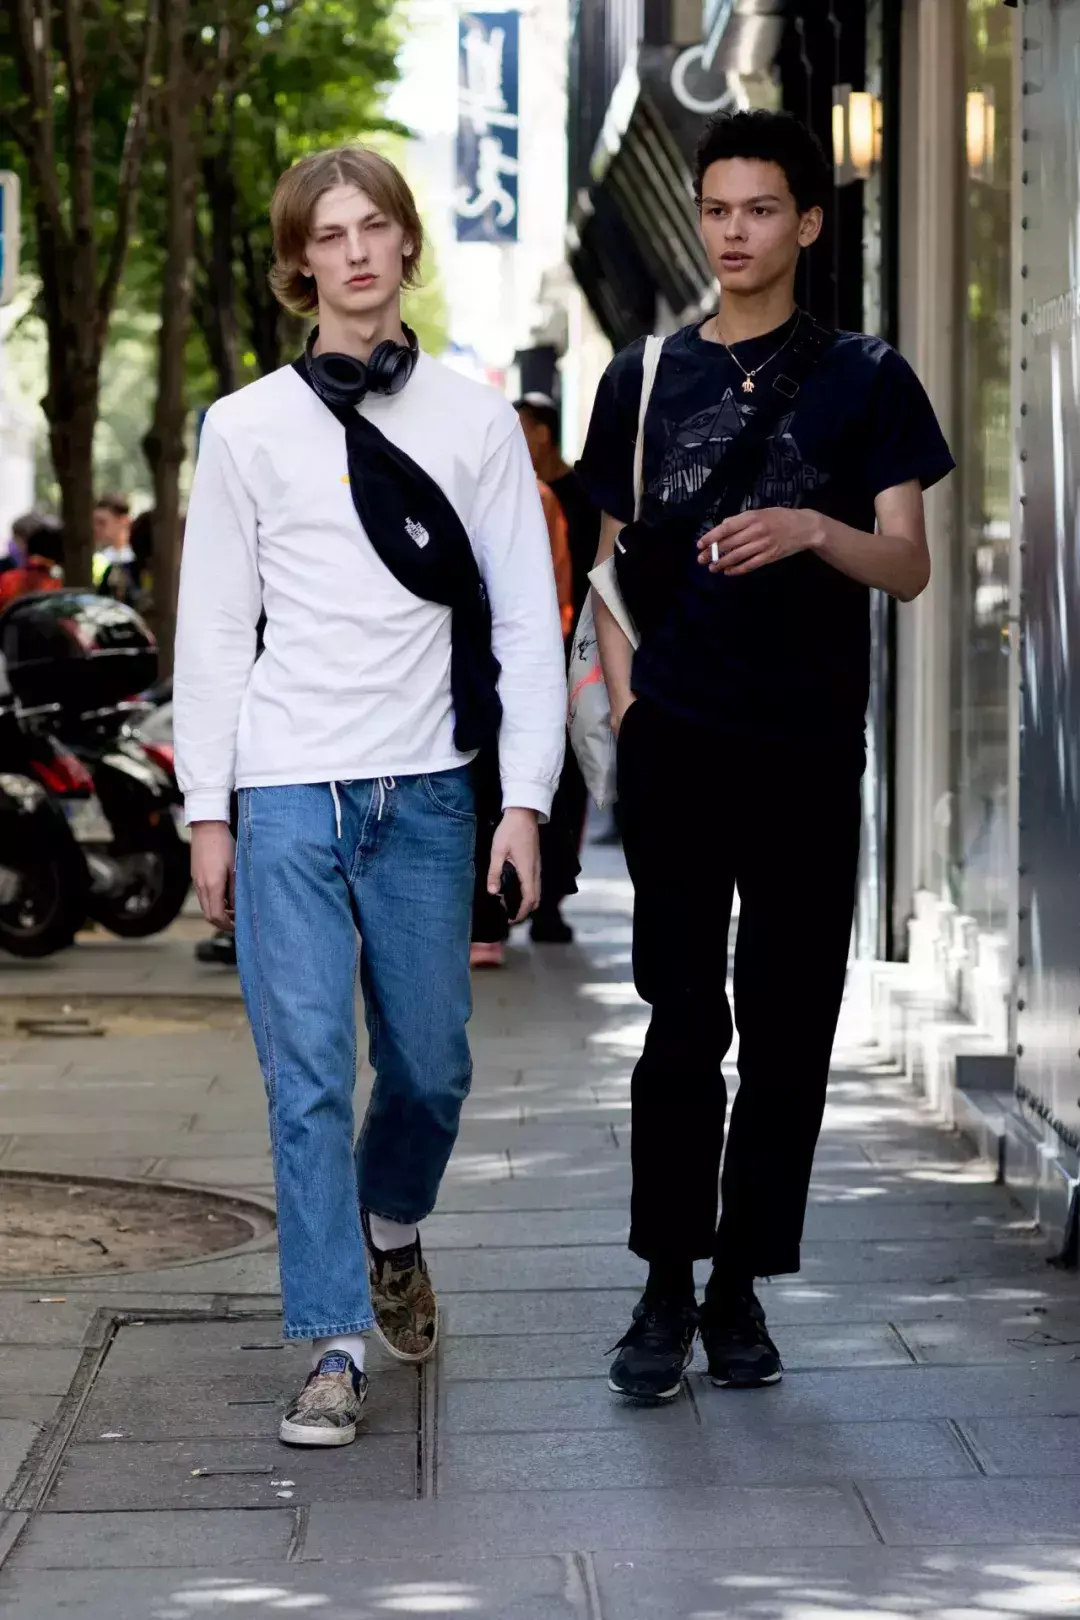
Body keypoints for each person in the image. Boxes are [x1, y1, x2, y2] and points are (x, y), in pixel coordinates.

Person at [174, 144, 565, 1448]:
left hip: (428, 791)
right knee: (305, 1081)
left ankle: (391, 1226)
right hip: (287, 788)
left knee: (432, 1070)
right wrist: (209, 811)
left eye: (372, 227)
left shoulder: (474, 424)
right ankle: (333, 1346)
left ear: (405, 244)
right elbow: (215, 629)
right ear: (301, 263)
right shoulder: (243, 427)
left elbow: (525, 618)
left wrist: (524, 800)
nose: (352, 252)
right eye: (327, 235)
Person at [578, 109, 953, 1404]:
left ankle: (740, 1285)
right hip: (679, 744)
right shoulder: (640, 378)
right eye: (717, 209)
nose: (733, 232)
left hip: (806, 748)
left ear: (808, 221)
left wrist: (812, 530)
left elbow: (908, 565)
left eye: (759, 209)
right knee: (683, 1022)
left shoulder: (868, 377)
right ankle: (665, 1283)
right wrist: (631, 713)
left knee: (791, 1027)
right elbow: (608, 572)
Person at [469, 481, 571, 969]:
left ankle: (493, 915)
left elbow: (549, 592)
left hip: (505, 668)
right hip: (453, 667)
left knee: (504, 795)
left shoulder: (533, 495)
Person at [515, 394, 601, 939]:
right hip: (532, 655)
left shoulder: (582, 496)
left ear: (542, 433)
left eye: (520, 427)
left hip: (575, 655)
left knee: (568, 777)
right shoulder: (513, 491)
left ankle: (551, 901)